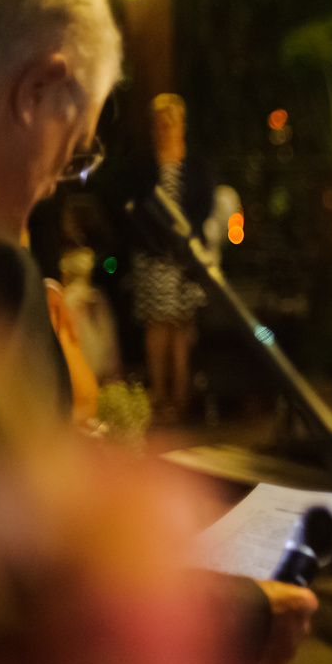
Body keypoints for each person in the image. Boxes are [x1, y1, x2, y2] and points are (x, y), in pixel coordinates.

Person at [0, 0, 315, 664]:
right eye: (75, 149)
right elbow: (26, 565)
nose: (57, 184)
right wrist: (237, 609)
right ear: (39, 88)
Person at [130, 92, 212, 424]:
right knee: (157, 325)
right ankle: (159, 395)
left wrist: (186, 234)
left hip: (185, 254)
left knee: (182, 326)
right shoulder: (145, 164)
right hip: (154, 254)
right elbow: (135, 207)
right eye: (161, 123)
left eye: (173, 122)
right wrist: (154, 237)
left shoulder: (194, 165)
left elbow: (203, 203)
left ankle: (180, 397)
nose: (167, 128)